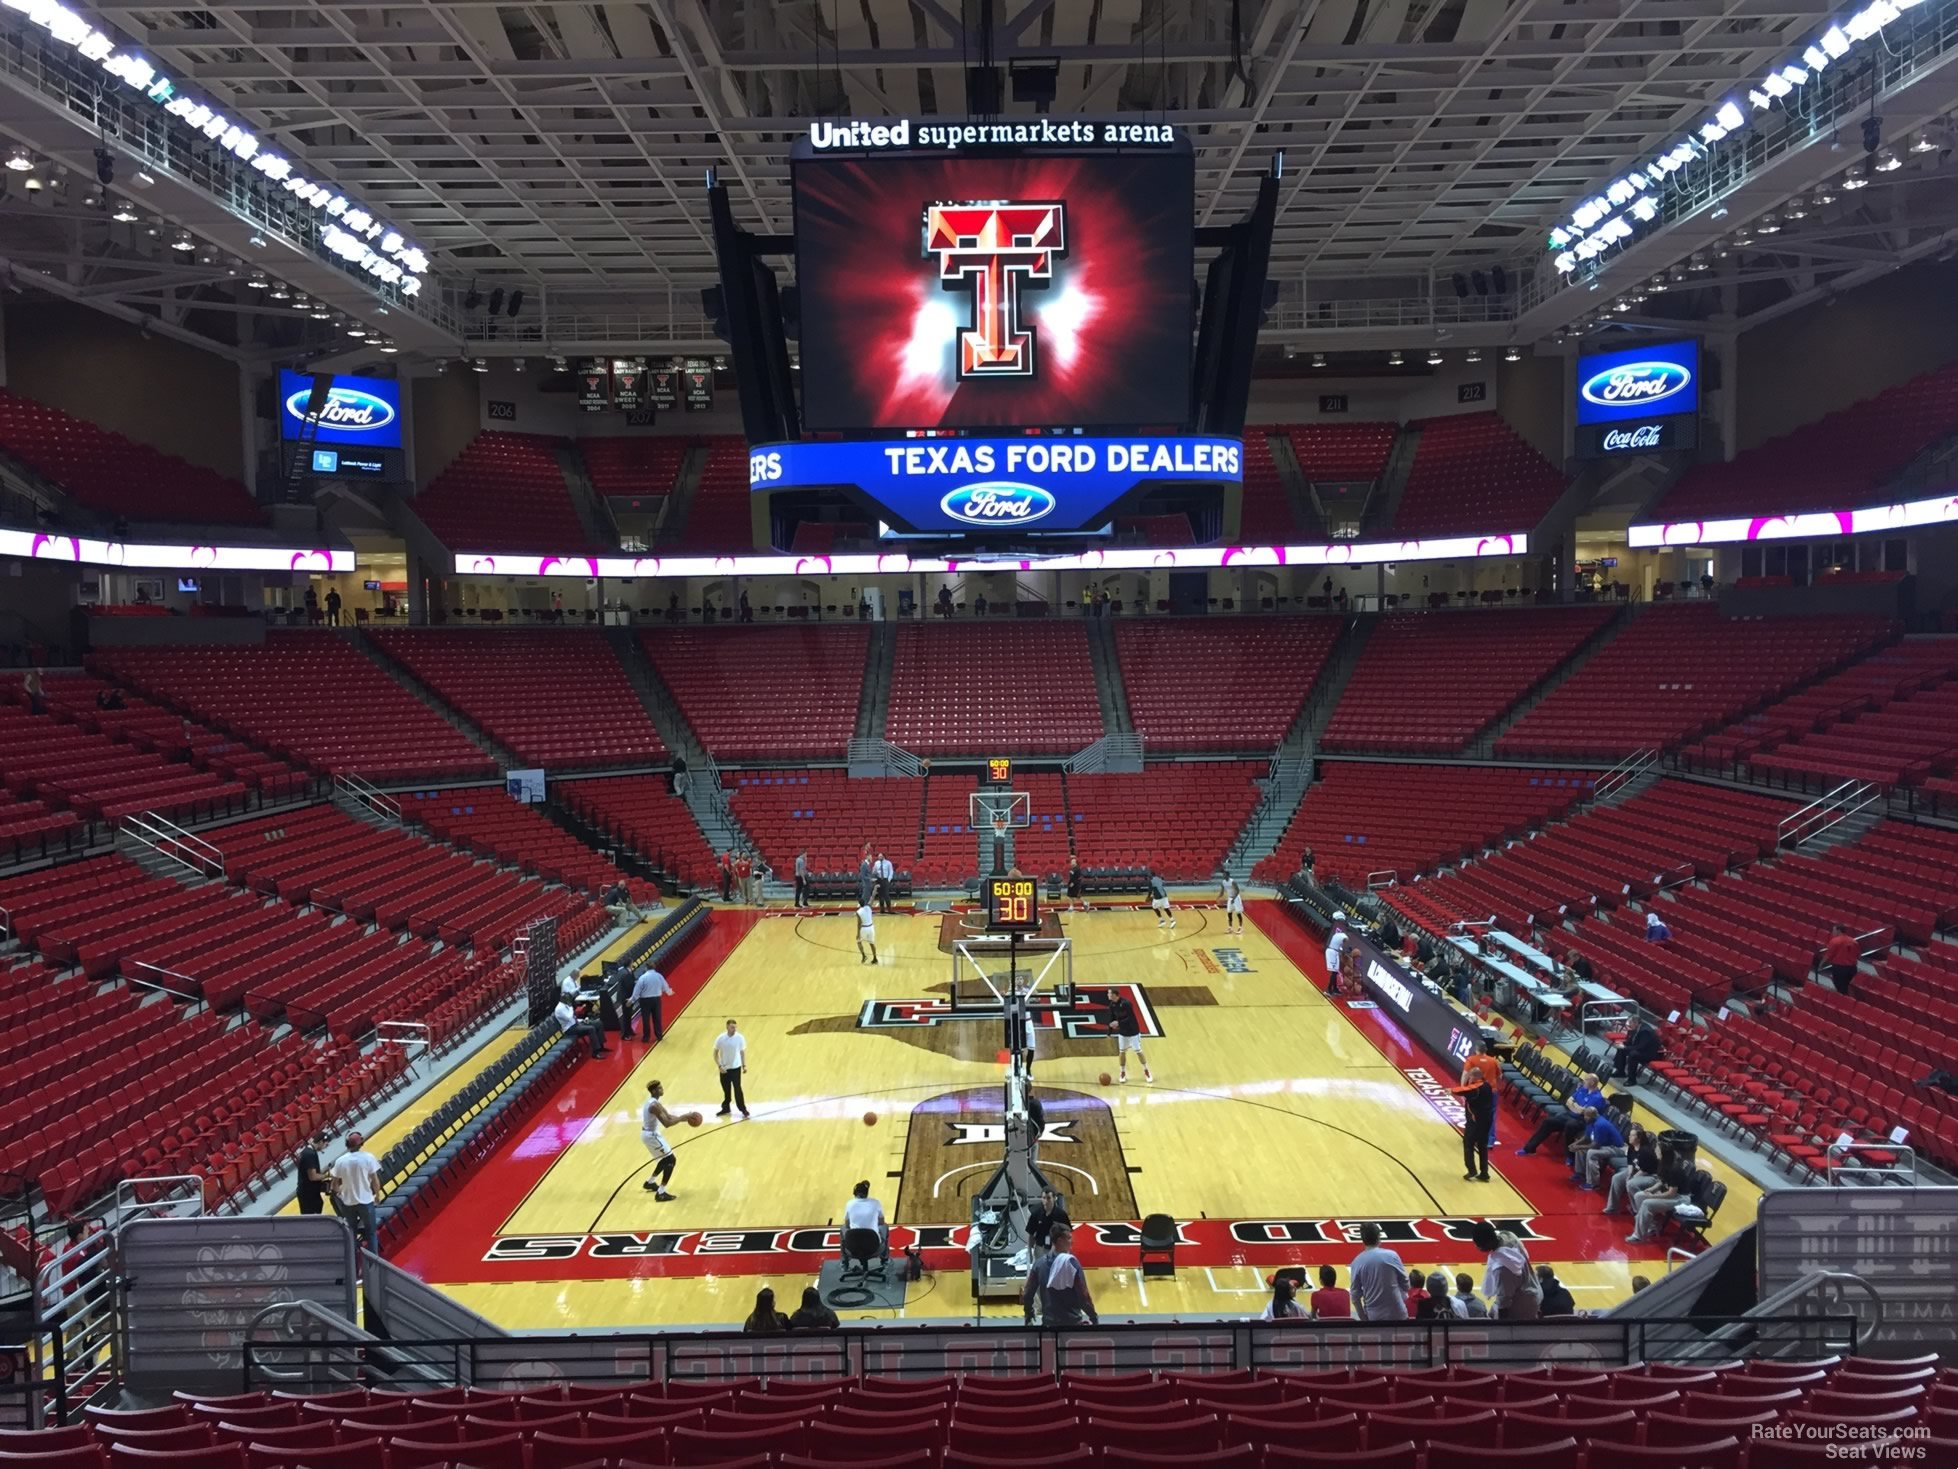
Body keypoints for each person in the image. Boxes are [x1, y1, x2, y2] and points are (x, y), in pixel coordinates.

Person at [1022, 1222, 1098, 1326]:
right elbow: (1083, 1296)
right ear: (1060, 1241)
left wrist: (1029, 1314)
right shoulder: (1071, 1263)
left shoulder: (1039, 1264)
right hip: (1072, 1323)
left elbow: (1027, 1293)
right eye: (1069, 1238)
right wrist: (1093, 1317)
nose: (1072, 1242)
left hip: (1049, 1323)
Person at [1515, 1071, 1605, 1156]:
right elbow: (1568, 1101)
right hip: (1570, 1115)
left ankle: (1570, 1156)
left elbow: (1583, 1111)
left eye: (1586, 1080)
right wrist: (1575, 1106)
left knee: (1570, 1126)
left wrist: (1574, 1105)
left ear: (1592, 1083)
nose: (1583, 1081)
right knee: (1548, 1121)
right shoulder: (1583, 1089)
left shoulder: (1597, 1098)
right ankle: (1529, 1149)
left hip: (1582, 1121)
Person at [1473, 1221, 1539, 1320]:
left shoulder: (1502, 1269)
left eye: (1478, 1244)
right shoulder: (1509, 1236)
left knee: (1491, 1317)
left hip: (1523, 1305)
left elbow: (1504, 1302)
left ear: (1485, 1244)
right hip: (1534, 1289)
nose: (1476, 1246)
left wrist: (1503, 1327)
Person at [329, 1132, 381, 1253]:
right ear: (361, 1144)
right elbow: (375, 1180)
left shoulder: (340, 1161)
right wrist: (377, 1195)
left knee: (351, 1233)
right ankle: (374, 1261)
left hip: (348, 1203)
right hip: (366, 1201)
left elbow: (334, 1185)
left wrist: (341, 1194)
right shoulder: (368, 1157)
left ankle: (351, 1259)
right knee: (371, 1233)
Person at [1348, 1222, 1410, 1322]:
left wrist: (1363, 1318)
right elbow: (1406, 1284)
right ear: (1379, 1237)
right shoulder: (1392, 1256)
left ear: (1363, 1240)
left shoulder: (1357, 1262)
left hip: (1374, 1317)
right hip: (1398, 1313)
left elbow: (1355, 1296)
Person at [639, 1079, 688, 1200]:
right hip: (651, 1135)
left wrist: (686, 1117)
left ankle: (650, 1182)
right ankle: (661, 1193)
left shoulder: (655, 1102)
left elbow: (669, 1116)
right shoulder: (654, 1105)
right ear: (654, 1090)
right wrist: (682, 1118)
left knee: (664, 1159)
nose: (662, 1089)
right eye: (660, 1088)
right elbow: (667, 1123)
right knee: (671, 1160)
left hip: (650, 1134)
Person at [1603, 1125, 1662, 1216]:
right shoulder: (1631, 1147)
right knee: (1616, 1178)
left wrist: (1632, 1178)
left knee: (1631, 1183)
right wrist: (1629, 1174)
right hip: (1636, 1171)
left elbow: (1645, 1169)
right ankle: (1612, 1207)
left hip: (1650, 1176)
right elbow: (1630, 1162)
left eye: (1632, 1135)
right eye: (1630, 1135)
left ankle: (1637, 1211)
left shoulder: (1646, 1151)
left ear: (1638, 1138)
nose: (1629, 1137)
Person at [1570, 1105, 1628, 1188]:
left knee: (1591, 1153)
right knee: (1580, 1148)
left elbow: (1595, 1145)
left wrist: (1579, 1147)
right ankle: (1580, 1173)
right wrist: (1576, 1144)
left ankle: (1593, 1183)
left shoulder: (1600, 1124)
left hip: (1617, 1149)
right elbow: (1586, 1137)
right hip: (1606, 1146)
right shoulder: (1590, 1121)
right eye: (1584, 1115)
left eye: (1587, 1116)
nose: (1585, 1117)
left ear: (1593, 1116)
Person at [1460, 1035, 1503, 1148]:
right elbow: (1500, 1076)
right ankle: (1489, 1141)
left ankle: (1473, 1138)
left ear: (1476, 1049)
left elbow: (1465, 1075)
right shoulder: (1493, 1061)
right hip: (1491, 1091)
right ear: (1486, 1050)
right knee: (1490, 1116)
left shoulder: (1471, 1060)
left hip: (1476, 1091)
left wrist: (1463, 1088)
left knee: (1473, 1114)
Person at [1103, 988, 1152, 1084]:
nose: (1107, 995)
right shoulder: (1112, 1005)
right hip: (1123, 1032)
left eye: (1109, 993)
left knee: (1138, 1051)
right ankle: (1122, 1072)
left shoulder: (1126, 1003)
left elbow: (1131, 1018)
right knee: (1122, 1052)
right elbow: (1112, 1019)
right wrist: (1109, 1032)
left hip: (1133, 1031)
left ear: (1115, 995)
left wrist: (1119, 1022)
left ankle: (1146, 1070)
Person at [1455, 1069, 1494, 1182]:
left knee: (1468, 1144)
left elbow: (1463, 1091)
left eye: (1470, 1077)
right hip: (1486, 1119)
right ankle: (1484, 1173)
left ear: (1474, 1077)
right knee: (1482, 1146)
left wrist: (1451, 1090)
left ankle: (1472, 1170)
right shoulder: (1487, 1086)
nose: (1469, 1079)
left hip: (1475, 1120)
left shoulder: (1476, 1088)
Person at [555, 990, 608, 1058]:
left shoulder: (566, 1005)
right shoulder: (559, 1009)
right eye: (568, 999)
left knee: (598, 1023)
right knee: (591, 1029)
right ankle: (595, 1052)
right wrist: (571, 1007)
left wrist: (582, 1020)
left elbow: (573, 1017)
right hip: (570, 1029)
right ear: (563, 999)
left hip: (576, 1024)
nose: (569, 1001)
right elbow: (569, 1017)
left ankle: (601, 1047)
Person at [714, 1019, 750, 1118]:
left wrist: (744, 1065)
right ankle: (726, 1108)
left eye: (735, 1027)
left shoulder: (740, 1038)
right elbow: (715, 1053)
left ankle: (743, 1109)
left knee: (737, 1089)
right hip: (724, 1069)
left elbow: (742, 1052)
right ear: (727, 1027)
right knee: (726, 1090)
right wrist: (720, 1066)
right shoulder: (720, 1038)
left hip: (735, 1068)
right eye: (732, 1027)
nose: (734, 1029)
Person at [1025, 1188, 1069, 1267]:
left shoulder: (1061, 1215)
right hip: (1040, 1247)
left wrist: (1065, 1250)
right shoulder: (1036, 1214)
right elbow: (1030, 1233)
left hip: (1056, 1247)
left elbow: (1067, 1233)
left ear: (1054, 1198)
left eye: (1049, 1198)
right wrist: (1030, 1251)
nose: (1046, 1201)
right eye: (1044, 1198)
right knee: (1039, 1270)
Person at [629, 962, 671, 1042]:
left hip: (645, 1001)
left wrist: (632, 1000)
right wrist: (669, 992)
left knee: (646, 1019)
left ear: (646, 968)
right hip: (656, 999)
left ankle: (646, 1037)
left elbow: (637, 990)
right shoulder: (659, 976)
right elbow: (665, 986)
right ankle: (659, 1036)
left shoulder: (643, 978)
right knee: (657, 1018)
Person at [293, 1134, 332, 1216]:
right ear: (321, 1141)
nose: (326, 1147)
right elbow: (313, 1177)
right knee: (312, 1217)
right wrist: (328, 1175)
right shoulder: (310, 1155)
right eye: (326, 1144)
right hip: (308, 1194)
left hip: (308, 1192)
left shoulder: (308, 1152)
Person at [1617, 1019, 1663, 1085]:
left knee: (1633, 1055)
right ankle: (1620, 1072)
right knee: (1621, 1048)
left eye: (1630, 1024)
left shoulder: (1645, 1032)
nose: (1629, 1026)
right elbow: (1632, 1041)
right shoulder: (1636, 1028)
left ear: (1636, 1023)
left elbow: (1641, 1046)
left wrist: (1626, 1047)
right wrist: (1623, 1044)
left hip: (1649, 1054)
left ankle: (1632, 1080)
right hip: (1642, 1050)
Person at [1823, 924, 1861, 997]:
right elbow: (1859, 956)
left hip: (1839, 969)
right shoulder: (1854, 941)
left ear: (1838, 930)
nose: (1832, 932)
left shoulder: (1834, 941)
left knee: (1841, 989)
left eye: (1833, 930)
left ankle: (1844, 1003)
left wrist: (1821, 964)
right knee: (1851, 988)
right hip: (1852, 968)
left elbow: (1828, 955)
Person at [1324, 912, 1349, 995]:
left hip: (1334, 951)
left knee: (1335, 972)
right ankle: (1328, 990)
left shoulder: (1338, 932)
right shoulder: (1343, 936)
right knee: (1334, 973)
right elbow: (1346, 942)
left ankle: (1334, 988)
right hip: (1332, 952)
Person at [856, 898, 878, 964]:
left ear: (859, 904)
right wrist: (875, 888)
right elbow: (872, 897)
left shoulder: (858, 912)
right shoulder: (869, 907)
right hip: (871, 928)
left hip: (864, 928)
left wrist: (858, 934)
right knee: (872, 943)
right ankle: (875, 958)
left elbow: (859, 923)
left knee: (858, 941)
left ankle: (863, 956)